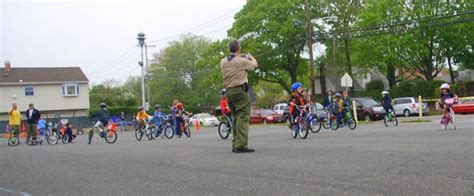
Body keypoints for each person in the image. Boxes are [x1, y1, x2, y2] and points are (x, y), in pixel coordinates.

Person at [220, 39, 258, 153]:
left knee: (235, 116)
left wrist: (240, 55)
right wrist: (251, 57)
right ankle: (241, 145)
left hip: (228, 91)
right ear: (239, 48)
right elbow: (255, 65)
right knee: (243, 116)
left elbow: (233, 59)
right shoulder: (241, 61)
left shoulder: (223, 61)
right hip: (239, 90)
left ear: (229, 49)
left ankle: (235, 143)